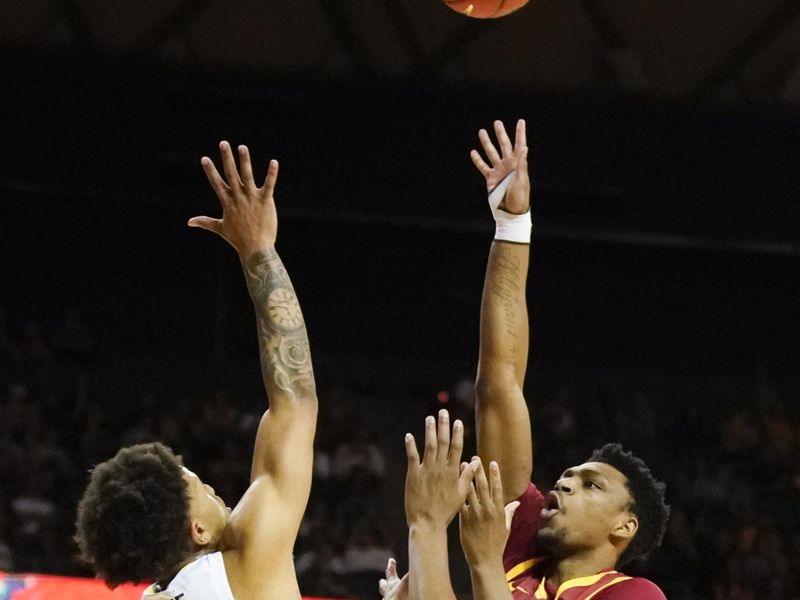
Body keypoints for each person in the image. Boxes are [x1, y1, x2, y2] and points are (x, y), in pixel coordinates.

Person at [381, 120, 670, 600]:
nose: (564, 484)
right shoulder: (523, 540)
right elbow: (500, 384)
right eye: (569, 477)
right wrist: (513, 224)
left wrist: (456, 547)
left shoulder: (634, 594)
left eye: (592, 486)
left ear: (624, 526)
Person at [74, 142, 318, 600]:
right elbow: (295, 401)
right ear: (198, 529)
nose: (216, 491)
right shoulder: (247, 560)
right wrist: (258, 251)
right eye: (202, 486)